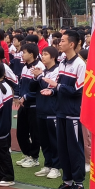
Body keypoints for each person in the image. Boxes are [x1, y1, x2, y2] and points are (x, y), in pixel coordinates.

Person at [51, 30, 87, 189]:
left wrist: (57, 87)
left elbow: (78, 91)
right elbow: (59, 86)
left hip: (73, 113)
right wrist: (51, 91)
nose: (60, 43)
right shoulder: (63, 62)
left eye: (63, 41)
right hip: (61, 111)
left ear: (72, 44)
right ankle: (67, 182)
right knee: (63, 148)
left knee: (75, 149)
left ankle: (79, 184)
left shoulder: (80, 64)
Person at [34, 46, 62, 179]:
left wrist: (39, 76)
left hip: (52, 110)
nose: (42, 57)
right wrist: (37, 77)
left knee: (54, 140)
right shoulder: (44, 71)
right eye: (42, 54)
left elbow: (48, 87)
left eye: (45, 54)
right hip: (41, 109)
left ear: (53, 57)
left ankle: (56, 167)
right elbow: (33, 87)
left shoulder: (57, 71)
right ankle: (48, 164)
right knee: (44, 140)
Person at [15, 42, 42, 169]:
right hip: (23, 104)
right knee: (21, 132)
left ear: (31, 54)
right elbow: (21, 84)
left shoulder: (39, 67)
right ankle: (27, 154)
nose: (22, 54)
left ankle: (34, 157)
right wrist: (19, 96)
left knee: (35, 133)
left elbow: (37, 89)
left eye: (24, 52)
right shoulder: (25, 67)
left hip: (34, 105)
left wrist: (25, 97)